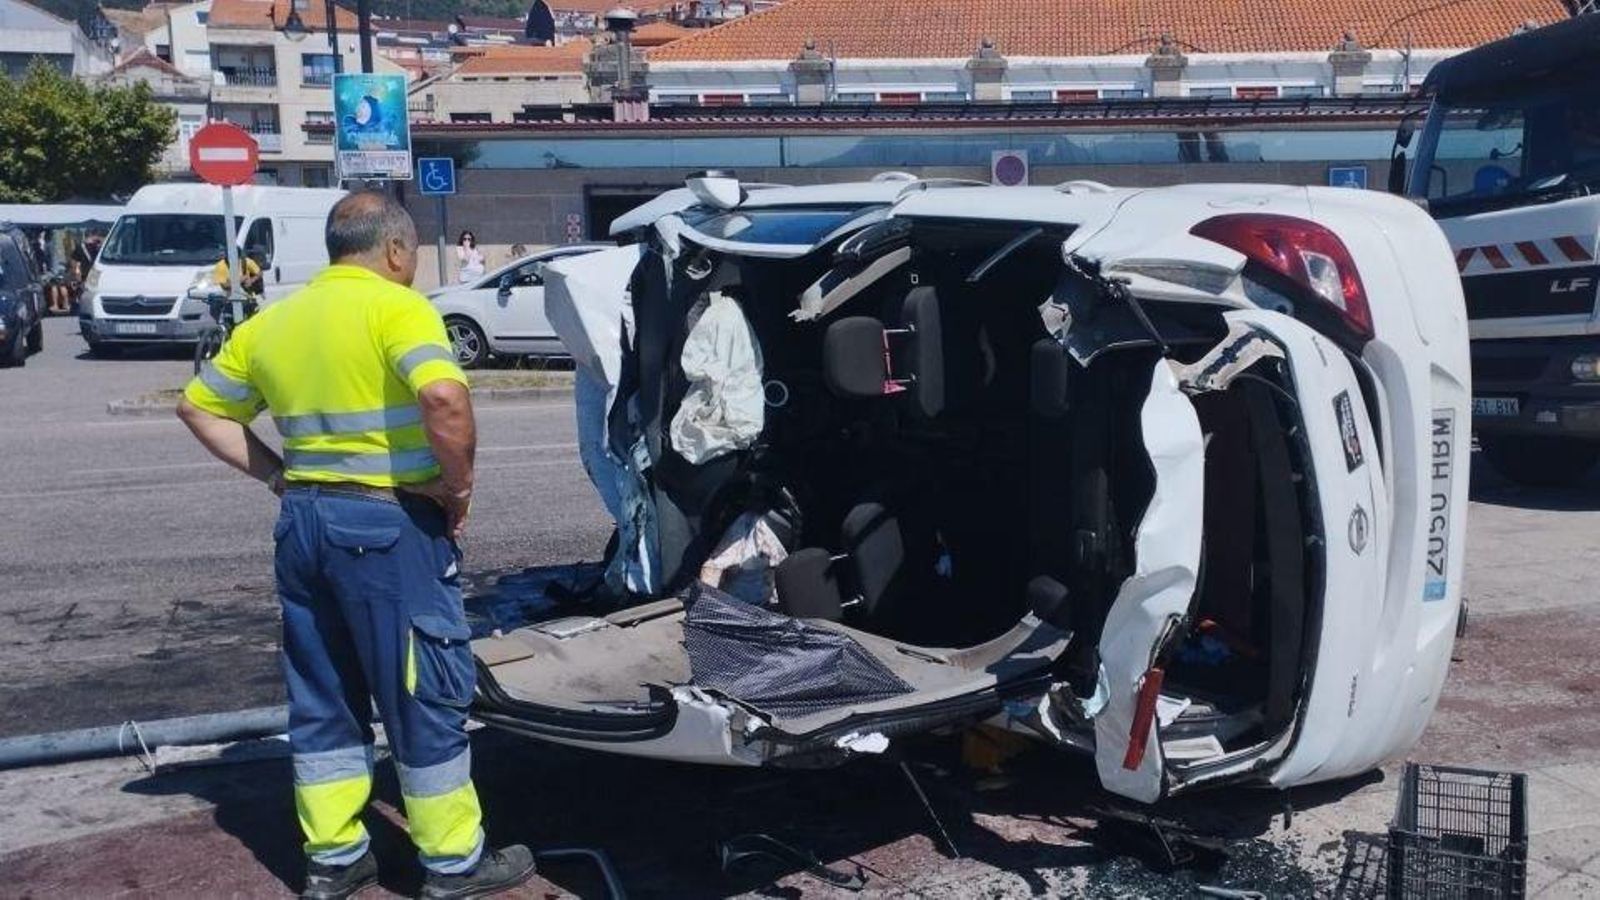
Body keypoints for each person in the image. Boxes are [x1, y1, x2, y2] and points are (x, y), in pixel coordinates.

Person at [176, 192, 536, 900]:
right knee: (422, 693)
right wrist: (456, 489)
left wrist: (280, 476)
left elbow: (199, 406)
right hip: (386, 527)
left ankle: (335, 859)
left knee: (324, 695)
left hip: (304, 523)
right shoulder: (397, 308)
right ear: (397, 251)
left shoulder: (275, 322)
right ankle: (454, 864)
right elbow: (443, 399)